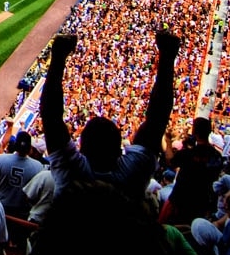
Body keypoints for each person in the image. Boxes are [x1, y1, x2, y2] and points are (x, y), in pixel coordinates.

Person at [40, 28, 180, 202]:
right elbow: (157, 121)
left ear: (81, 148)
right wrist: (167, 57)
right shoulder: (132, 173)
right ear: (118, 151)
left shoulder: (73, 172)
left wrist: (58, 56)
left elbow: (50, 116)